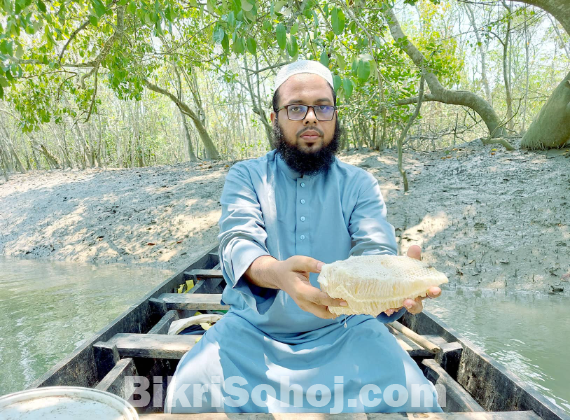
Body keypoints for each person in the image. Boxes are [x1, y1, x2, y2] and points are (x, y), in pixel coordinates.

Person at [164, 60, 443, 414]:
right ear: (275, 119)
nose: (310, 117)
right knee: (184, 391)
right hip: (253, 333)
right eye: (296, 108)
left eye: (322, 107)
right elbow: (237, 242)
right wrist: (279, 275)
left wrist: (394, 286)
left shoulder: (359, 183)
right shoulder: (247, 176)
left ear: (335, 117)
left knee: (419, 397)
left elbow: (374, 250)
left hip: (344, 329)